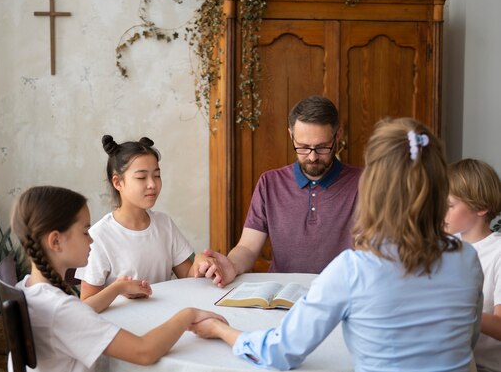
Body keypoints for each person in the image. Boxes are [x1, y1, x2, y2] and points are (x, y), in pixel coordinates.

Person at [190, 117, 484, 371]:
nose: (313, 155)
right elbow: (465, 341)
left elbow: (278, 352)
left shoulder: (355, 269)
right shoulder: (467, 259)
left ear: (372, 187)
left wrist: (220, 329)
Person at [9, 185, 226, 372]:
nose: (91, 239)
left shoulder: (29, 287)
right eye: (85, 231)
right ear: (55, 241)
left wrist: (117, 288)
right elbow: (144, 351)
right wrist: (189, 314)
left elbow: (79, 312)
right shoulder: (59, 309)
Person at [197, 95, 362, 285]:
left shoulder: (364, 183)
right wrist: (231, 265)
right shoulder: (270, 183)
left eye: (322, 147)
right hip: (282, 294)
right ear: (291, 135)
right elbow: (248, 248)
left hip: (340, 292)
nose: (313, 157)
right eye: (303, 147)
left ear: (337, 136)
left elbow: (372, 253)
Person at [76, 135, 203, 300]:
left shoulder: (164, 224)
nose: (152, 184)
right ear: (118, 182)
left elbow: (188, 276)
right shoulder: (99, 236)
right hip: (123, 324)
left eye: (157, 175)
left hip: (166, 318)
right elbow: (86, 304)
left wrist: (201, 263)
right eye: (141, 177)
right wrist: (118, 289)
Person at [445, 158, 501, 372]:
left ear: (482, 208)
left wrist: (460, 308)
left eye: (449, 205)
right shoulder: (443, 247)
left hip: (486, 367)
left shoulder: (497, 253)